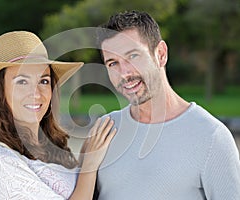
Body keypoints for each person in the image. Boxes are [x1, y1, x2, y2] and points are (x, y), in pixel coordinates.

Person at [94, 10, 240, 199]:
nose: (124, 73)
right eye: (113, 63)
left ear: (161, 54)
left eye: (133, 56)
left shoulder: (211, 136)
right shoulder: (105, 130)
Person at [0, 31, 116, 200]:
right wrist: (89, 167)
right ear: (0, 92)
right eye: (22, 81)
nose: (36, 93)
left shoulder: (54, 149)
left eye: (44, 81)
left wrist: (85, 162)